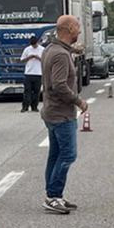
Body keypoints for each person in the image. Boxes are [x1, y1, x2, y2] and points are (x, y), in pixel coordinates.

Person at [40, 15, 88, 214]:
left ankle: (53, 195)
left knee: (55, 155)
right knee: (68, 155)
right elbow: (59, 84)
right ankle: (54, 196)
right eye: (77, 27)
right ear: (69, 29)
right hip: (62, 114)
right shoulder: (60, 54)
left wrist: (73, 51)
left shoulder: (52, 49)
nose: (79, 31)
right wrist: (78, 101)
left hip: (51, 112)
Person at [20, 34, 45, 112]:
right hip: (28, 73)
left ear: (37, 42)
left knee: (36, 91)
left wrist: (37, 57)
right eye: (32, 45)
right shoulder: (27, 49)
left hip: (38, 73)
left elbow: (46, 60)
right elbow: (22, 60)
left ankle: (34, 107)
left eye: (35, 45)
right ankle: (25, 107)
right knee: (27, 91)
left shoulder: (42, 49)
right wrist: (29, 57)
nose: (34, 46)